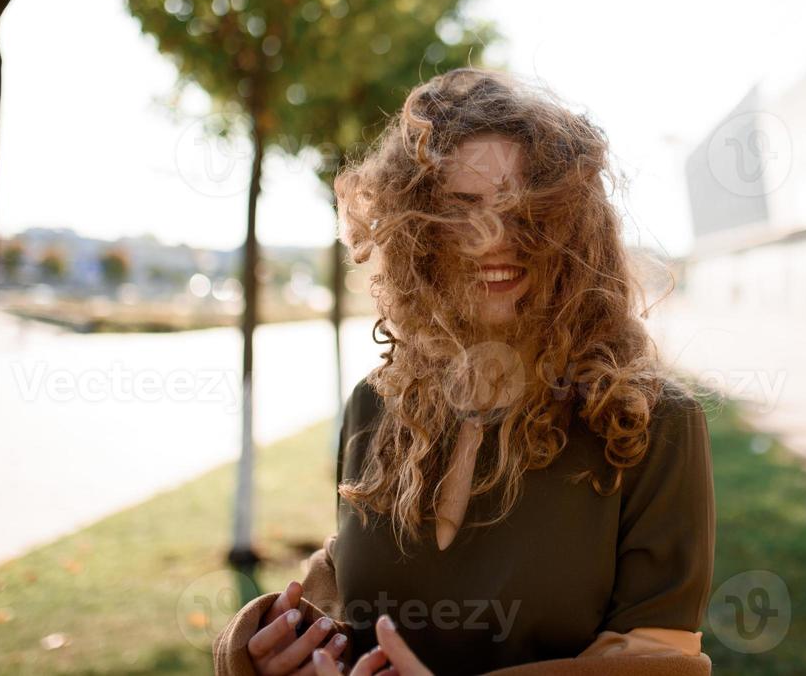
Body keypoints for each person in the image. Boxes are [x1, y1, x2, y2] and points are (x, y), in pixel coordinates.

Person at [237, 68, 716, 675]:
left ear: (575, 228)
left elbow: (656, 665)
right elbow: (343, 594)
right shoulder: (374, 403)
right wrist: (278, 652)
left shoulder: (651, 425)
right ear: (415, 236)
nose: (492, 240)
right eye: (459, 210)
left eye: (525, 211)